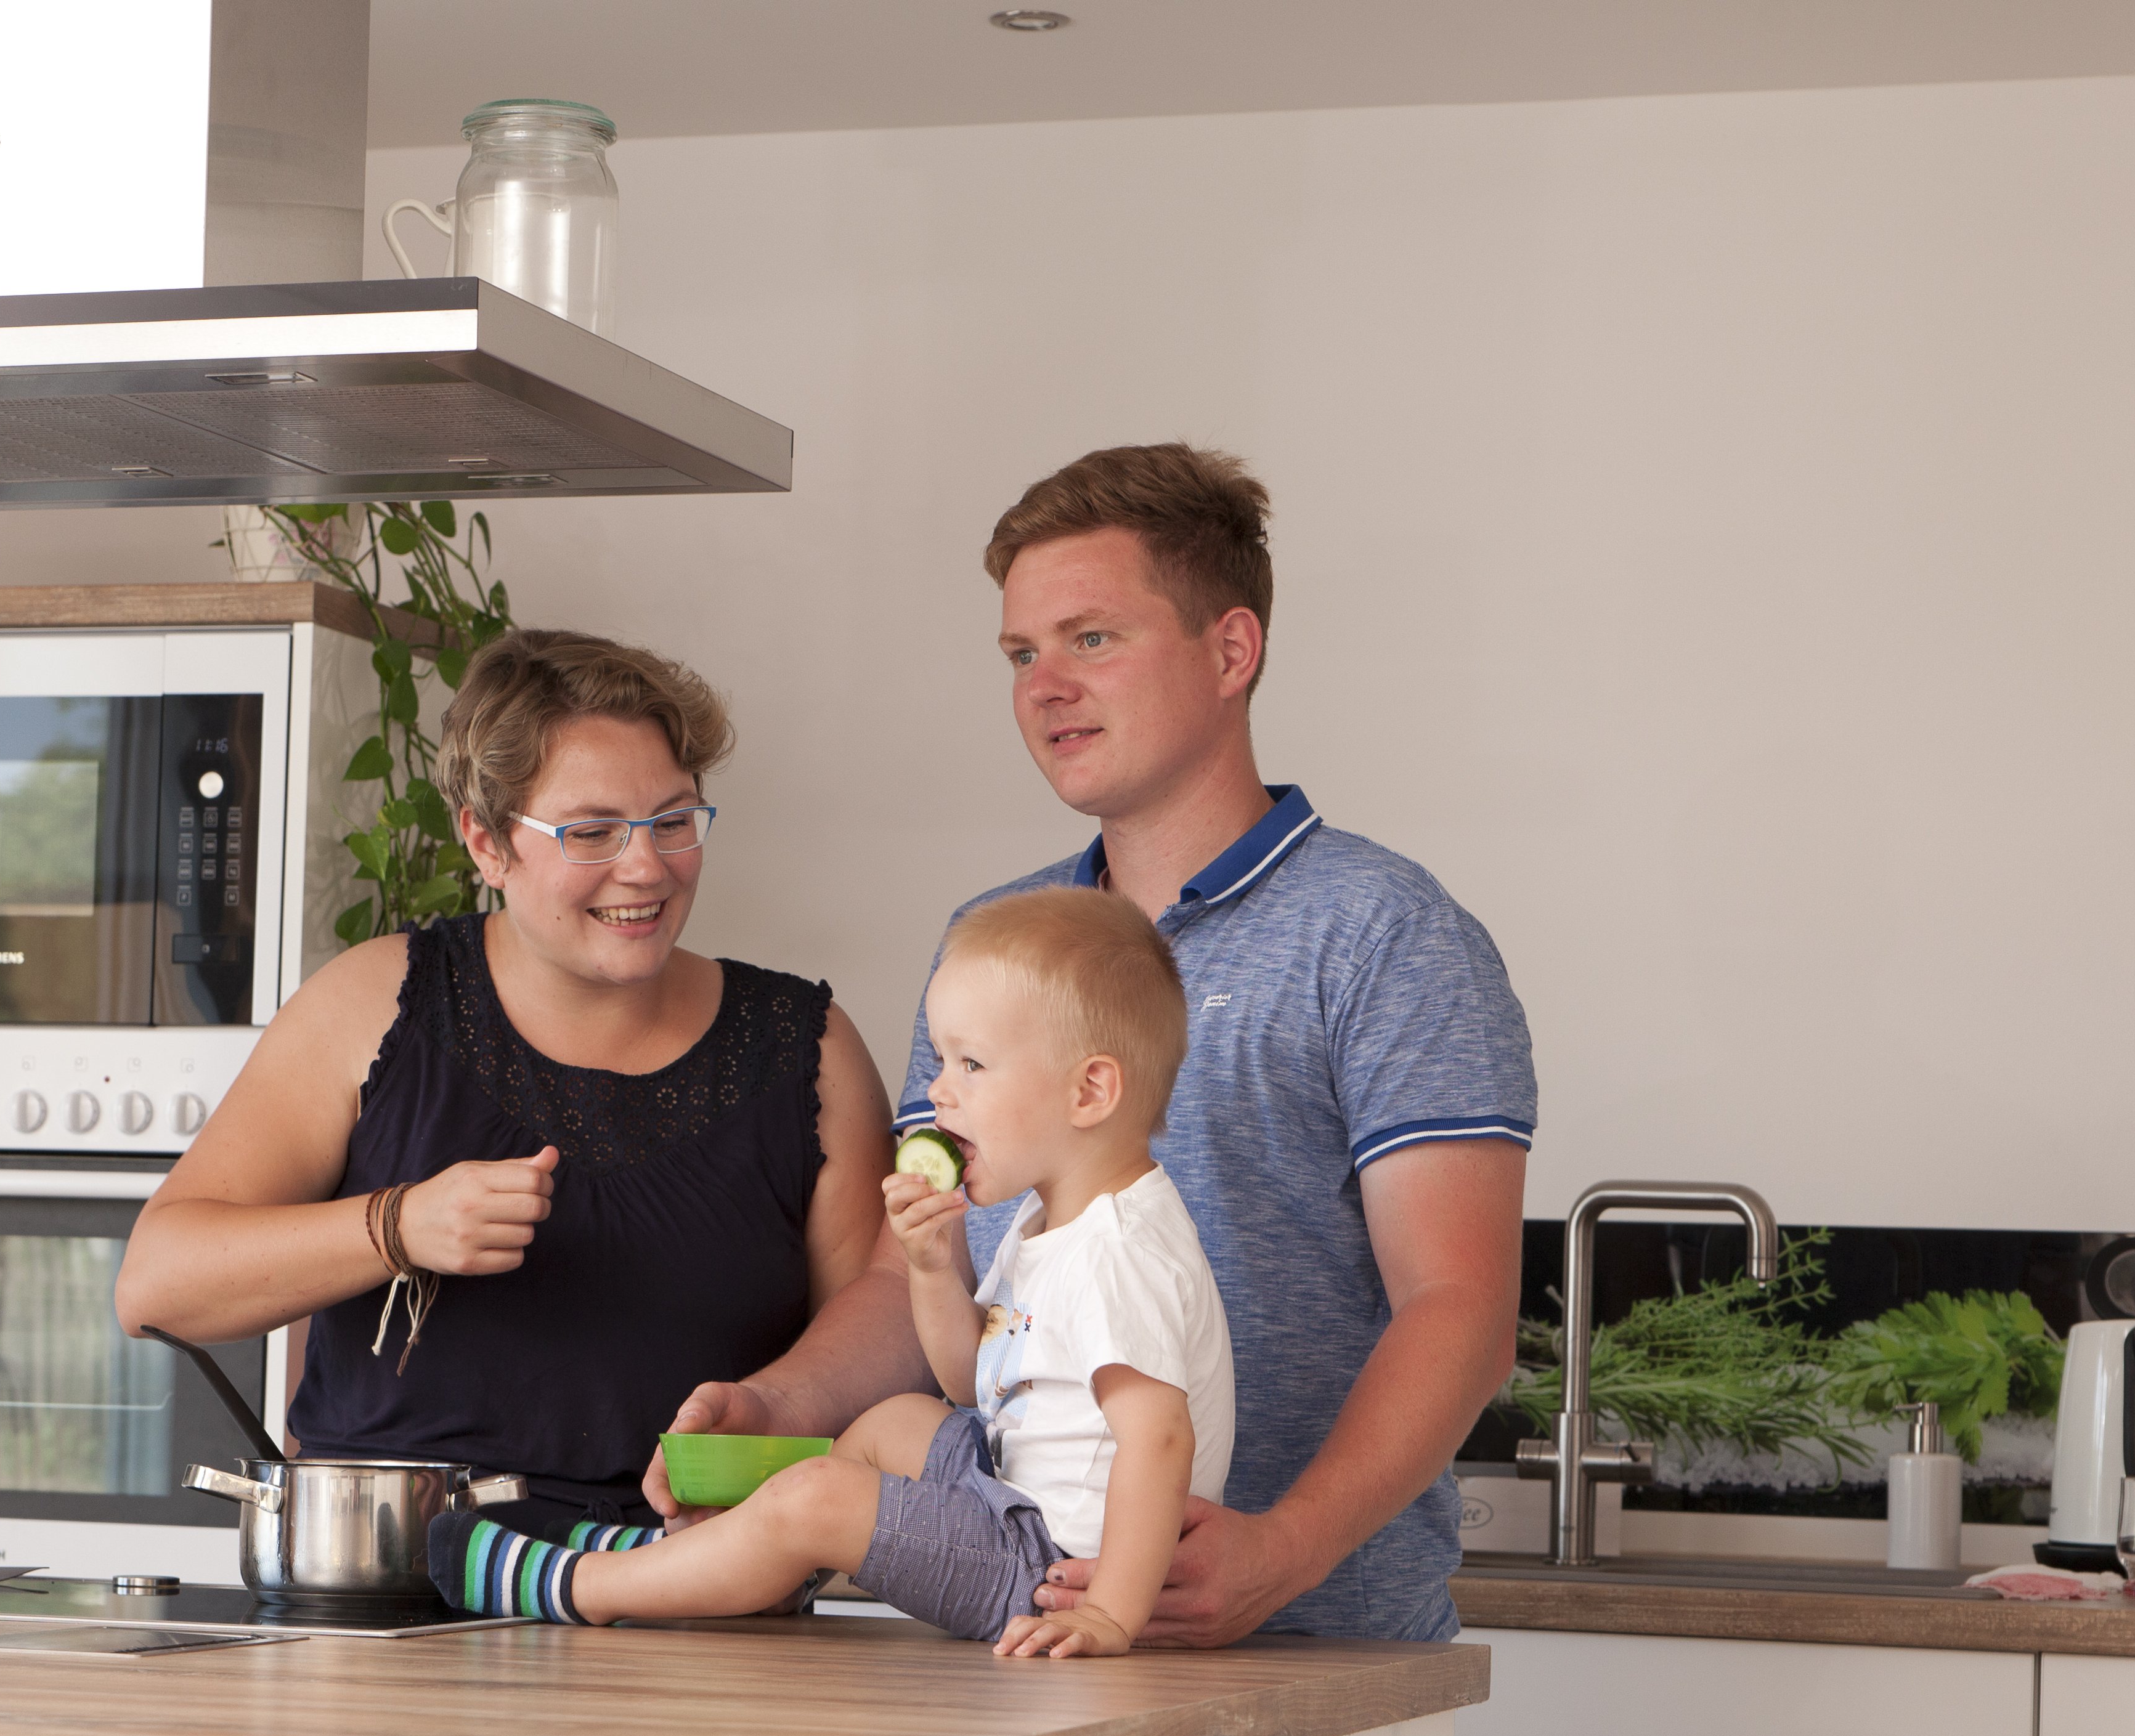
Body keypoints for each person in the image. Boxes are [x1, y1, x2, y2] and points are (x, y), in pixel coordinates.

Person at [650, 444, 1534, 1644]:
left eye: (1093, 639)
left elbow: (1460, 1308)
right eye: (1023, 654)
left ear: (1231, 651)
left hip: (1317, 1655)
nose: (1046, 687)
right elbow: (920, 1269)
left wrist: (1283, 1550)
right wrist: (775, 1406)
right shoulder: (992, 945)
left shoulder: (1387, 934)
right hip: (1029, 1639)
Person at [115, 628, 897, 1540]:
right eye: (592, 832)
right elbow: (156, 1285)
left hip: (704, 1586)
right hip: (397, 1585)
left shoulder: (809, 1050)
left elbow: (884, 1343)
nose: (646, 867)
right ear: (486, 843)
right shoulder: (371, 1005)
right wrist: (398, 1225)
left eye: (674, 821)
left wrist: (773, 1417)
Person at [429, 887, 1233, 1657]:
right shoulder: (1047, 1222)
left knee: (817, 1497)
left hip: (1054, 1569)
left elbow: (1160, 1439)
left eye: (973, 1065)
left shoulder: (1119, 1252)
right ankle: (719, 1564)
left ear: (1090, 1091)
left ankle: (589, 1586)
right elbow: (972, 1382)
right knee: (896, 1422)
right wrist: (929, 1269)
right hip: (1012, 1503)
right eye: (943, 1060)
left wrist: (1109, 1613)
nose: (938, 1091)